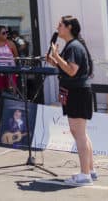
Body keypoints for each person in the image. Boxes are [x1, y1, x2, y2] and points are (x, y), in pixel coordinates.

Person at [46, 15, 96, 187]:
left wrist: (57, 56)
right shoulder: (74, 45)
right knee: (80, 133)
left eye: (60, 25)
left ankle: (85, 174)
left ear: (69, 27)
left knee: (79, 133)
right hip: (77, 91)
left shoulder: (74, 46)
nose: (57, 27)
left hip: (77, 92)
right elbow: (68, 69)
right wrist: (55, 61)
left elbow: (72, 71)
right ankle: (90, 170)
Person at [0, 25, 18, 93]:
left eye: (6, 32)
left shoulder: (11, 44)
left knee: (12, 90)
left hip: (10, 70)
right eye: (3, 33)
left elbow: (16, 57)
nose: (6, 34)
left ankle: (13, 103)